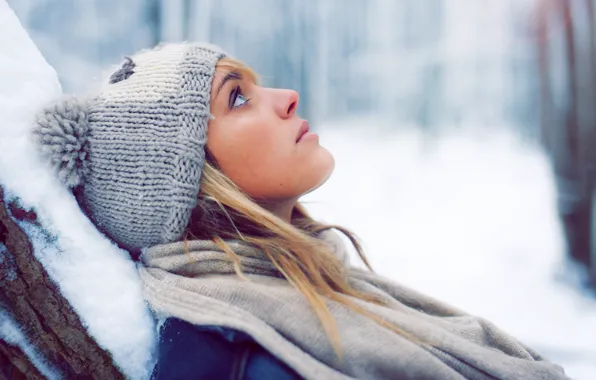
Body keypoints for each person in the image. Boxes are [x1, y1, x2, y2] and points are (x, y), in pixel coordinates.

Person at [33, 42, 570, 380]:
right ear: (190, 181)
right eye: (237, 98)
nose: (287, 96)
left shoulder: (317, 290)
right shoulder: (240, 359)